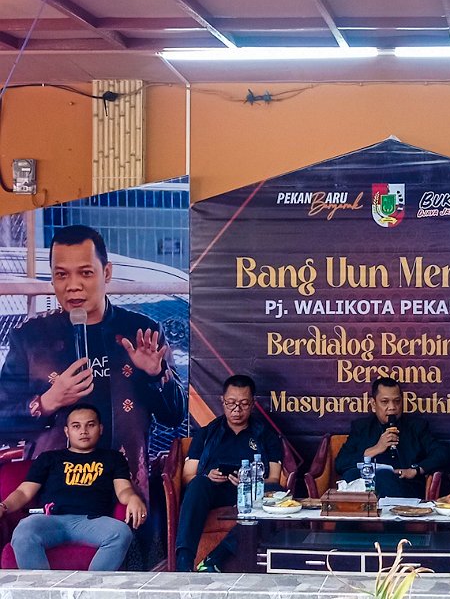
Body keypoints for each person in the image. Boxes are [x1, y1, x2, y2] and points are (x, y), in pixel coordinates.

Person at [0, 224, 187, 502]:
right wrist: (47, 402)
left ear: (106, 273)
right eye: (61, 274)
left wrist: (155, 374)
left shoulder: (140, 332)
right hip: (54, 494)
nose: (73, 285)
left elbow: (175, 416)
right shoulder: (31, 337)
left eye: (86, 273)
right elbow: (3, 422)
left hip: (126, 493)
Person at [0, 404, 146, 570]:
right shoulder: (49, 458)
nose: (83, 431)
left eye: (90, 425)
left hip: (93, 522)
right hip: (51, 521)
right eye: (76, 426)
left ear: (100, 429)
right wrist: (3, 506)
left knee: (121, 532)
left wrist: (133, 498)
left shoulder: (113, 458)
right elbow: (24, 492)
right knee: (24, 532)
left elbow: (124, 489)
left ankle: (90, 585)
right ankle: (44, 586)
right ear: (67, 431)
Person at [174, 374, 282, 572]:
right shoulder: (206, 434)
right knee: (197, 484)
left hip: (252, 495)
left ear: (253, 403)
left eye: (243, 404)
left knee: (278, 493)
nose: (237, 410)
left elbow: (274, 478)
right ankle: (184, 562)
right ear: (222, 401)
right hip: (214, 492)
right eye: (231, 403)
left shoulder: (267, 436)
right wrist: (207, 476)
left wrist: (250, 481)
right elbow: (187, 476)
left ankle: (215, 558)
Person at [334, 377, 448, 499]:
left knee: (384, 476)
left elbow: (441, 454)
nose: (392, 407)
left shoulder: (416, 427)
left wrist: (415, 470)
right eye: (385, 402)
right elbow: (340, 464)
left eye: (397, 401)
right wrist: (375, 449)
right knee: (351, 475)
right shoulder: (361, 427)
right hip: (365, 490)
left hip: (404, 487)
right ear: (373, 404)